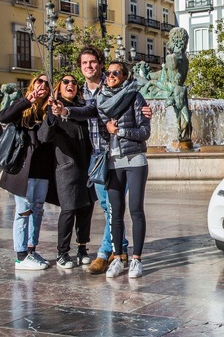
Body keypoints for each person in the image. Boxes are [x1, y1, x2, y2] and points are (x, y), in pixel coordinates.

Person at [59, 46, 152, 275]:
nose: (89, 66)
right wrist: (64, 111)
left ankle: (104, 253)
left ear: (100, 64)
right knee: (109, 206)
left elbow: (138, 119)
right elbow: (85, 110)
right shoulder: (81, 92)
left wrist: (143, 114)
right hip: (97, 156)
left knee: (117, 208)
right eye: (84, 63)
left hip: (120, 154)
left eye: (92, 62)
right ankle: (118, 250)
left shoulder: (118, 90)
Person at [98, 61, 151, 279]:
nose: (110, 76)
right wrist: (107, 130)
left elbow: (144, 132)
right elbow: (101, 132)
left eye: (115, 73)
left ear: (125, 76)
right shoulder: (102, 100)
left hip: (135, 159)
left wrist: (119, 131)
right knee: (115, 212)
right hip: (112, 161)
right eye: (108, 73)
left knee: (136, 209)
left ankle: (137, 259)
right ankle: (118, 258)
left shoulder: (135, 97)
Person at [0, 73, 54, 271]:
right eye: (40, 81)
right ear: (33, 84)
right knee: (23, 211)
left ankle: (31, 249)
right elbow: (2, 117)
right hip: (22, 167)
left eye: (47, 83)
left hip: (42, 167)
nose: (43, 86)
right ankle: (20, 256)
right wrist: (26, 100)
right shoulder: (23, 107)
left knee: (38, 210)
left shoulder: (49, 109)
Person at [41, 74, 95, 269]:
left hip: (87, 165)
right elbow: (44, 136)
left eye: (73, 82)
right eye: (66, 82)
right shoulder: (54, 108)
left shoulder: (82, 107)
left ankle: (82, 248)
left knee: (86, 208)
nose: (70, 84)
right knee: (69, 210)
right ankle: (62, 252)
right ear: (59, 87)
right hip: (66, 168)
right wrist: (51, 114)